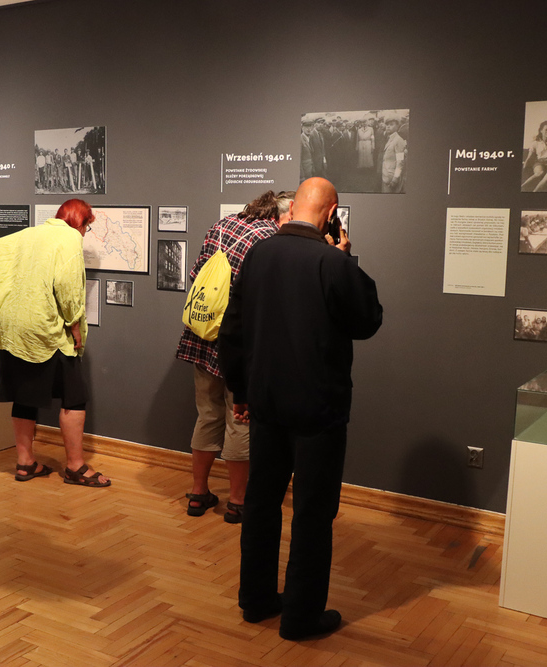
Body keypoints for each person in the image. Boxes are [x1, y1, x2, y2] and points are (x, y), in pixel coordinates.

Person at [218, 177, 382, 640]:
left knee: (262, 502)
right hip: (318, 409)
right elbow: (368, 320)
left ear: (293, 209)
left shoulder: (256, 256)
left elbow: (232, 332)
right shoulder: (333, 262)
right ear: (332, 213)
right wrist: (348, 257)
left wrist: (241, 392)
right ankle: (301, 617)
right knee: (312, 511)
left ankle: (255, 601)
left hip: (267, 403)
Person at [0, 198, 111, 487]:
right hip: (45, 327)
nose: (85, 234)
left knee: (24, 394)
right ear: (80, 222)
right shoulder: (69, 238)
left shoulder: (27, 234)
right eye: (87, 227)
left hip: (13, 327)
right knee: (74, 396)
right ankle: (75, 467)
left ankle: (25, 464)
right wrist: (74, 324)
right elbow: (68, 286)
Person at [176, 191, 294, 525]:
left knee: (207, 414)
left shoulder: (223, 225)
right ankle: (238, 501)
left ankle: (199, 493)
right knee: (241, 418)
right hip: (243, 342)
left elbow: (196, 273)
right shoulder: (272, 238)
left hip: (204, 335)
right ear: (284, 214)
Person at [381, 116, 407, 193]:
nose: (388, 126)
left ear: (397, 126)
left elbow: (400, 162)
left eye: (391, 124)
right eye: (387, 124)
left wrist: (395, 179)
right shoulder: (390, 138)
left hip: (392, 179)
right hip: (386, 176)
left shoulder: (398, 140)